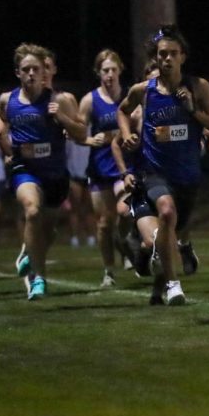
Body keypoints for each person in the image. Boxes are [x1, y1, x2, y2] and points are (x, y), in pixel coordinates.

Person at [118, 25, 209, 305]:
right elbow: (122, 110)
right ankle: (175, 286)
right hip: (153, 173)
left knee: (168, 238)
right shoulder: (144, 91)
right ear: (155, 57)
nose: (166, 59)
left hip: (188, 177)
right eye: (162, 54)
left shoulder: (198, 87)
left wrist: (193, 110)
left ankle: (156, 281)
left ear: (183, 57)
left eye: (172, 54)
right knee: (166, 212)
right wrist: (128, 133)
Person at [0, 44, 88, 300]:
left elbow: (81, 135)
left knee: (49, 230)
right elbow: (1, 120)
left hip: (55, 174)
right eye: (26, 69)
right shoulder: (7, 99)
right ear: (18, 73)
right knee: (32, 210)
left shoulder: (60, 101)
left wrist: (64, 120)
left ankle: (30, 255)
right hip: (26, 170)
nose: (32, 74)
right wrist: (3, 145)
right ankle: (39, 279)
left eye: (36, 68)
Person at [78, 49, 128, 286]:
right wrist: (89, 140)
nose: (109, 75)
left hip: (124, 167)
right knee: (105, 224)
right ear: (98, 73)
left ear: (120, 71)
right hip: (99, 169)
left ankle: (128, 243)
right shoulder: (90, 100)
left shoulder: (129, 97)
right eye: (105, 70)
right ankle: (109, 271)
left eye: (113, 70)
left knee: (124, 211)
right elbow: (76, 131)